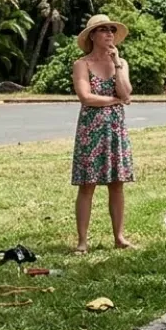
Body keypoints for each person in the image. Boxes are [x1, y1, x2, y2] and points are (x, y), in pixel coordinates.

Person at [71, 14, 135, 253]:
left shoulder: (122, 63)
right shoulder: (82, 64)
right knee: (87, 185)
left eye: (111, 29)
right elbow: (86, 97)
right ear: (92, 36)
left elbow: (126, 92)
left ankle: (119, 237)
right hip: (91, 130)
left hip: (115, 130)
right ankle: (82, 241)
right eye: (103, 30)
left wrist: (117, 63)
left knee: (117, 184)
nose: (109, 33)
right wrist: (115, 100)